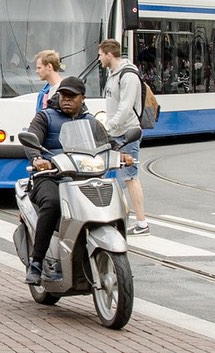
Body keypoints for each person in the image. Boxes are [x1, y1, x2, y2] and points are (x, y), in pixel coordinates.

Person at [23, 77, 95, 284]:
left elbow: (105, 142)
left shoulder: (90, 121)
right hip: (49, 177)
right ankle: (36, 262)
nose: (66, 100)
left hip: (80, 178)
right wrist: (37, 159)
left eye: (72, 97)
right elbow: (31, 138)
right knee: (53, 203)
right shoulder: (45, 117)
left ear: (83, 98)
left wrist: (120, 153)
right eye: (64, 96)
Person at [98, 38, 149, 236]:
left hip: (127, 133)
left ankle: (142, 223)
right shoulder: (113, 74)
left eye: (101, 54)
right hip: (115, 133)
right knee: (113, 177)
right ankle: (115, 219)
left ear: (109, 54)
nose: (100, 58)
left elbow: (126, 108)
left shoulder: (128, 76)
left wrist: (107, 127)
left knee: (130, 177)